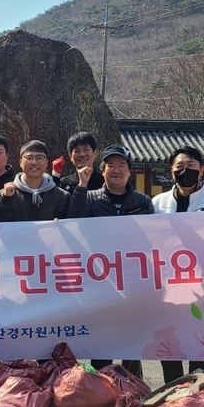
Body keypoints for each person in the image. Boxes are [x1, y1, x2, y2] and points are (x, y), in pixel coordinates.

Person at [69, 142, 154, 374]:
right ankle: (101, 390)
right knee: (101, 339)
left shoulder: (143, 202)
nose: (116, 170)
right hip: (99, 282)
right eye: (111, 165)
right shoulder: (89, 198)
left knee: (132, 340)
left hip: (132, 281)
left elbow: (151, 241)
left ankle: (132, 389)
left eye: (122, 165)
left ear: (129, 171)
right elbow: (74, 221)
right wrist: (82, 185)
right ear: (103, 170)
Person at [152, 146, 204, 383]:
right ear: (171, 171)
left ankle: (199, 398)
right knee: (170, 343)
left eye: (191, 167)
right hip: (169, 285)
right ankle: (170, 395)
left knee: (200, 341)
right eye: (179, 167)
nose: (184, 171)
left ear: (202, 171)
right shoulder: (158, 202)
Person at [0, 140, 70, 222]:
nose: (34, 162)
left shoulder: (62, 197)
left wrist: (61, 227)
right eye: (29, 158)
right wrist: (6, 202)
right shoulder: (2, 196)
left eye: (39, 158)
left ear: (46, 163)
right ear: (20, 162)